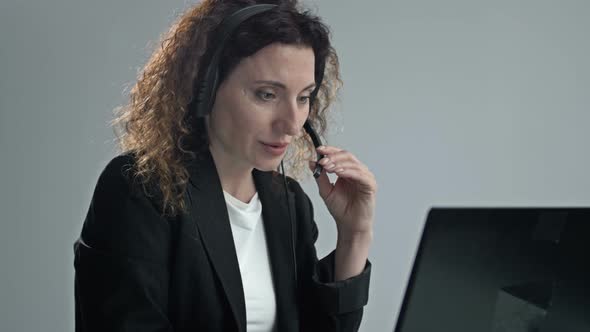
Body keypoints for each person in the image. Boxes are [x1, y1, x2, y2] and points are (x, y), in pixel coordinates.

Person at [73, 1, 377, 331]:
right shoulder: (139, 189)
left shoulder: (288, 204)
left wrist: (355, 234)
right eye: (266, 95)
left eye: (303, 97)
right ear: (206, 88)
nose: (292, 123)